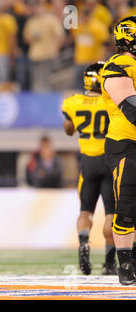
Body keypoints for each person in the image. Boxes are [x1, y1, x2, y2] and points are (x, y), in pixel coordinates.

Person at [62, 62, 117, 276]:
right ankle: (109, 262)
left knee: (85, 211)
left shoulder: (73, 102)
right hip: (109, 160)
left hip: (87, 162)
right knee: (112, 214)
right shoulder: (110, 101)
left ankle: (84, 242)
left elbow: (68, 130)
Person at [100, 15, 136, 285]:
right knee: (127, 205)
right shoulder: (118, 64)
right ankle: (125, 265)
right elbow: (132, 108)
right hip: (126, 144)